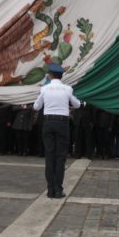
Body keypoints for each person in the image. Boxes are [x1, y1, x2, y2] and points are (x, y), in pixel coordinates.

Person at [33, 63, 80, 198]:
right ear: (61, 76)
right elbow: (76, 104)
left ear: (50, 75)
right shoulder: (67, 89)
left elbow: (36, 107)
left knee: (49, 156)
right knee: (60, 157)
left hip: (48, 123)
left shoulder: (45, 89)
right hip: (62, 123)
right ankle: (58, 189)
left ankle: (50, 189)